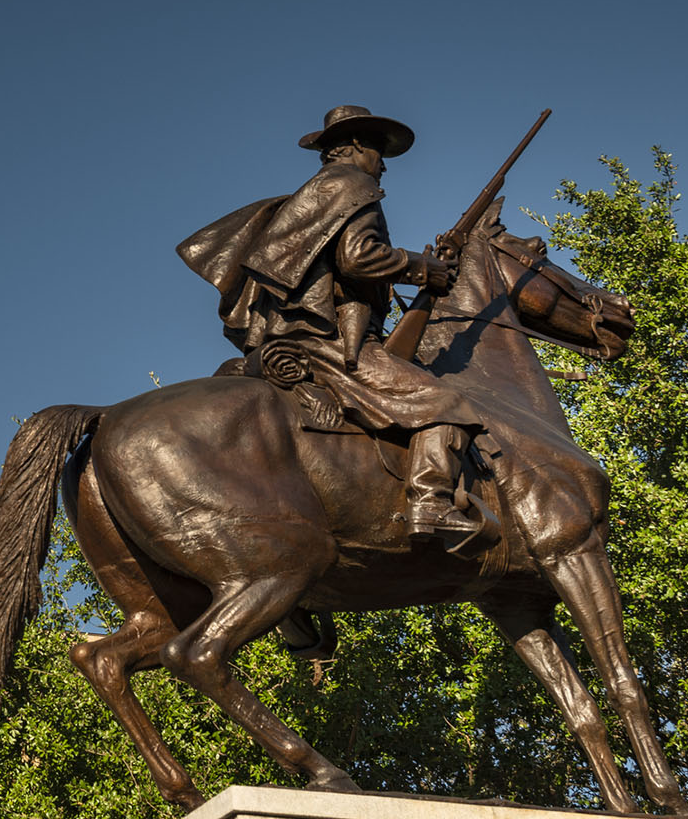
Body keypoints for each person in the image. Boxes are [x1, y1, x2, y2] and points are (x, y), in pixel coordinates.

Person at [177, 105, 482, 538]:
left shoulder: (311, 197)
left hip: (286, 339)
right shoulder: (354, 186)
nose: (383, 166)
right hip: (327, 343)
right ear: (358, 146)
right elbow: (357, 258)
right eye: (379, 153)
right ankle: (431, 502)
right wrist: (419, 266)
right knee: (445, 404)